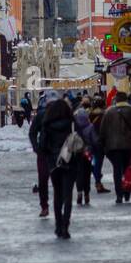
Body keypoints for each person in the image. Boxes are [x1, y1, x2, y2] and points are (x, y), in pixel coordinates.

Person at [37, 92, 84, 238]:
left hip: (54, 163)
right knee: (68, 194)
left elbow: (42, 145)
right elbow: (79, 141)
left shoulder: (47, 125)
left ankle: (58, 226)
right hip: (70, 162)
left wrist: (48, 155)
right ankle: (65, 225)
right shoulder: (72, 123)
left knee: (57, 194)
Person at [98, 91, 131, 203]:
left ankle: (119, 195)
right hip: (129, 145)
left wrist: (103, 145)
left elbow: (102, 131)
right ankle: (127, 192)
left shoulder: (109, 112)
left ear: (116, 99)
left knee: (117, 170)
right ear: (126, 99)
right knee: (127, 169)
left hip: (113, 146)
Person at [29, 92, 51, 218]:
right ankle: (45, 205)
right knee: (44, 180)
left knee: (45, 180)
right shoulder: (41, 116)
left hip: (52, 151)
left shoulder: (63, 114)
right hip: (47, 151)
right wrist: (36, 147)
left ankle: (46, 206)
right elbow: (32, 132)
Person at [73, 97, 97, 205]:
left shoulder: (74, 128)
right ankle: (87, 194)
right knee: (87, 174)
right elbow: (94, 140)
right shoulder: (90, 127)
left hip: (77, 153)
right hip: (88, 153)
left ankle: (79, 192)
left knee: (78, 173)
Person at [89, 99, 109, 193]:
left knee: (93, 162)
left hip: (90, 141)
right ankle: (98, 181)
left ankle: (97, 176)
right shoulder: (104, 115)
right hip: (100, 142)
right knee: (98, 163)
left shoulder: (90, 115)